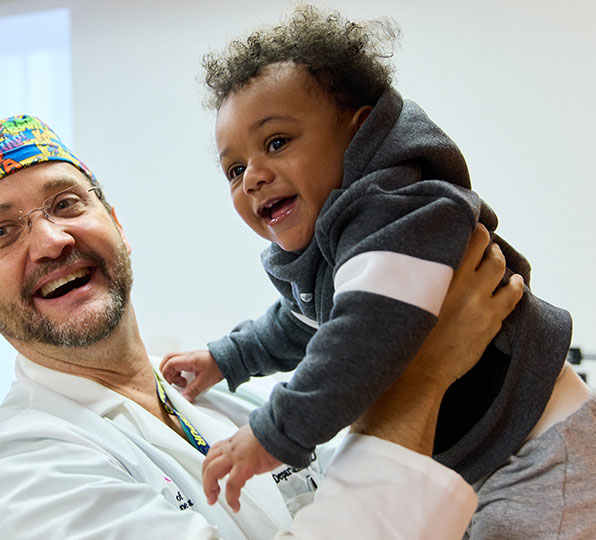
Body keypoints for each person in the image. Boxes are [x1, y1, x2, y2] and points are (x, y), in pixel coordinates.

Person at [0, 114, 522, 539]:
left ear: (115, 224)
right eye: (2, 232)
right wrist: (424, 375)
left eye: (66, 203)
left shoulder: (228, 410)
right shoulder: (10, 483)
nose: (53, 240)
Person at [159, 6, 596, 538]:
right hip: (484, 451)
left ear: (359, 132)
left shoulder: (400, 210)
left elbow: (361, 332)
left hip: (541, 441)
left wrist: (275, 431)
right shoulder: (337, 252)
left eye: (276, 142)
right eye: (234, 169)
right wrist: (227, 357)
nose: (252, 176)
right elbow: (303, 322)